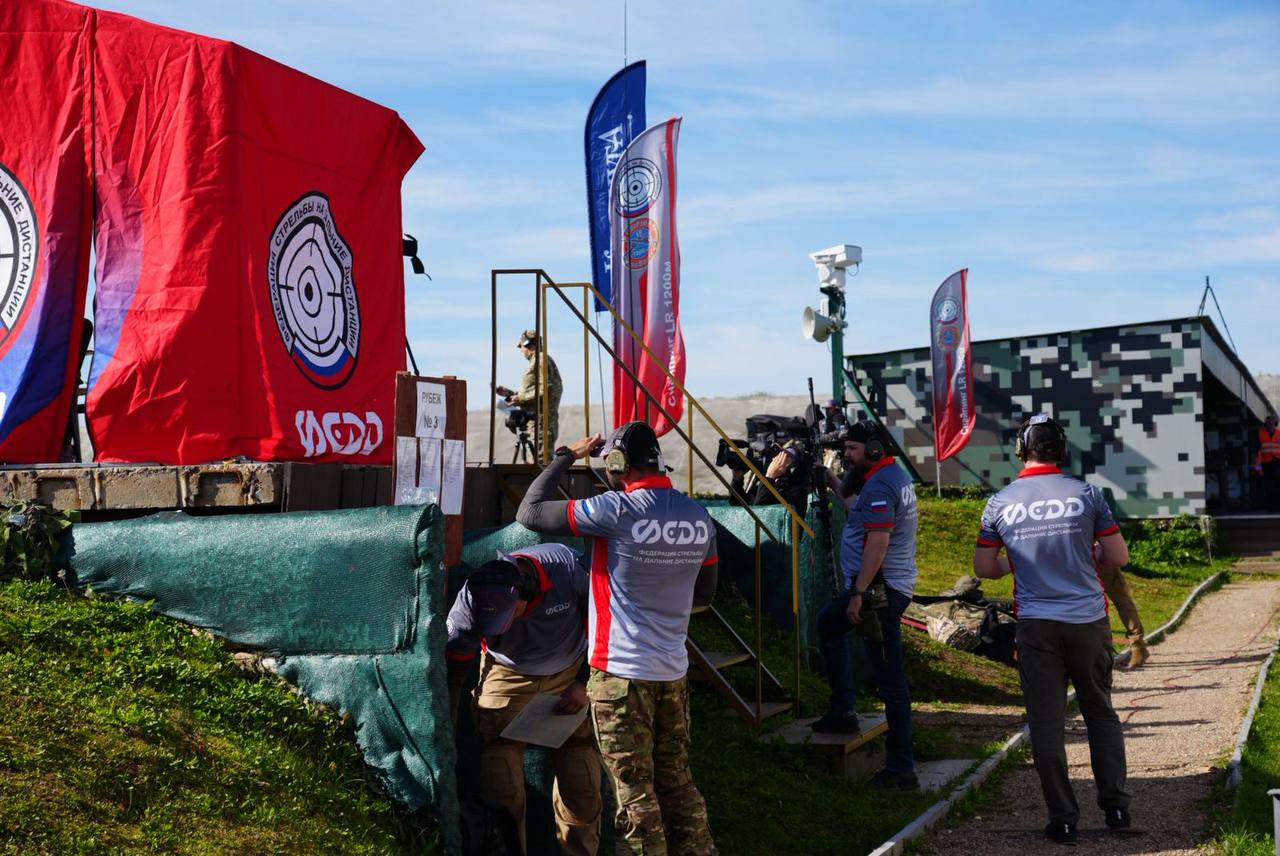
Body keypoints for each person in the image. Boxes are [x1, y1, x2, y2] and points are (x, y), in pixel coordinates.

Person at [516, 421, 719, 855]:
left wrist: (567, 455)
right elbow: (705, 592)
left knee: (635, 796)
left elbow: (530, 511)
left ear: (619, 463)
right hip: (673, 673)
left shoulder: (615, 509)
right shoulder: (697, 515)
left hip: (621, 677)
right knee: (678, 784)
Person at [974, 413, 1132, 845]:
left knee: (1046, 724)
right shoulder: (1088, 494)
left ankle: (1063, 819)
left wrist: (1018, 560)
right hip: (1087, 622)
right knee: (1100, 712)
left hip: (1037, 626)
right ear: (1062, 450)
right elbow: (1118, 557)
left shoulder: (999, 502)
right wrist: (1089, 552)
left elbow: (985, 567)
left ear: (1021, 450)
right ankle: (1116, 808)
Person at [445, 546, 601, 856]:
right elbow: (454, 672)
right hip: (507, 674)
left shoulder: (570, 571)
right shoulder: (469, 603)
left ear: (525, 594)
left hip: (570, 672)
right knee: (500, 780)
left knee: (581, 778)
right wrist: (445, 731)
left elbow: (608, 625)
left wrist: (585, 681)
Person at [812, 420, 920, 791]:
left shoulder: (881, 485)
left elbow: (878, 541)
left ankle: (901, 768)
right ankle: (843, 710)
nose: (847, 455)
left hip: (878, 592)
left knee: (891, 682)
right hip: (880, 588)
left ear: (874, 449)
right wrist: (833, 481)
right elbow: (860, 511)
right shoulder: (889, 478)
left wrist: (859, 591)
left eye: (852, 449)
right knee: (829, 625)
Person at [496, 329, 563, 457]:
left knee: (540, 464)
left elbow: (547, 389)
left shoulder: (540, 359)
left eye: (521, 346)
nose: (521, 351)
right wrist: (510, 394)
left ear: (528, 344)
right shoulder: (538, 360)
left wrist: (520, 398)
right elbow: (538, 391)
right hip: (537, 424)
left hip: (541, 425)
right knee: (536, 462)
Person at [1095, 545, 1148, 668]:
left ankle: (1137, 646)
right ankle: (1101, 650)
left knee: (1122, 602)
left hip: (1100, 557)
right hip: (1077, 560)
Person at [727, 441, 811, 516]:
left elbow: (761, 512)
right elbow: (736, 504)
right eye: (779, 456)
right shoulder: (771, 483)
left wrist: (770, 476)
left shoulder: (796, 490)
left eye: (784, 458)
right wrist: (737, 479)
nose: (777, 460)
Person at [1255, 413, 1280, 511]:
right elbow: (1257, 450)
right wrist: (1257, 466)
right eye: (1268, 423)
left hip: (1277, 461)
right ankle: (1270, 506)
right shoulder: (1261, 434)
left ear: (1275, 423)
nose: (1270, 425)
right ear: (1266, 424)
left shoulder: (1279, 433)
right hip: (1266, 462)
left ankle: (1277, 504)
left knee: (1277, 482)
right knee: (1267, 484)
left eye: (1272, 423)